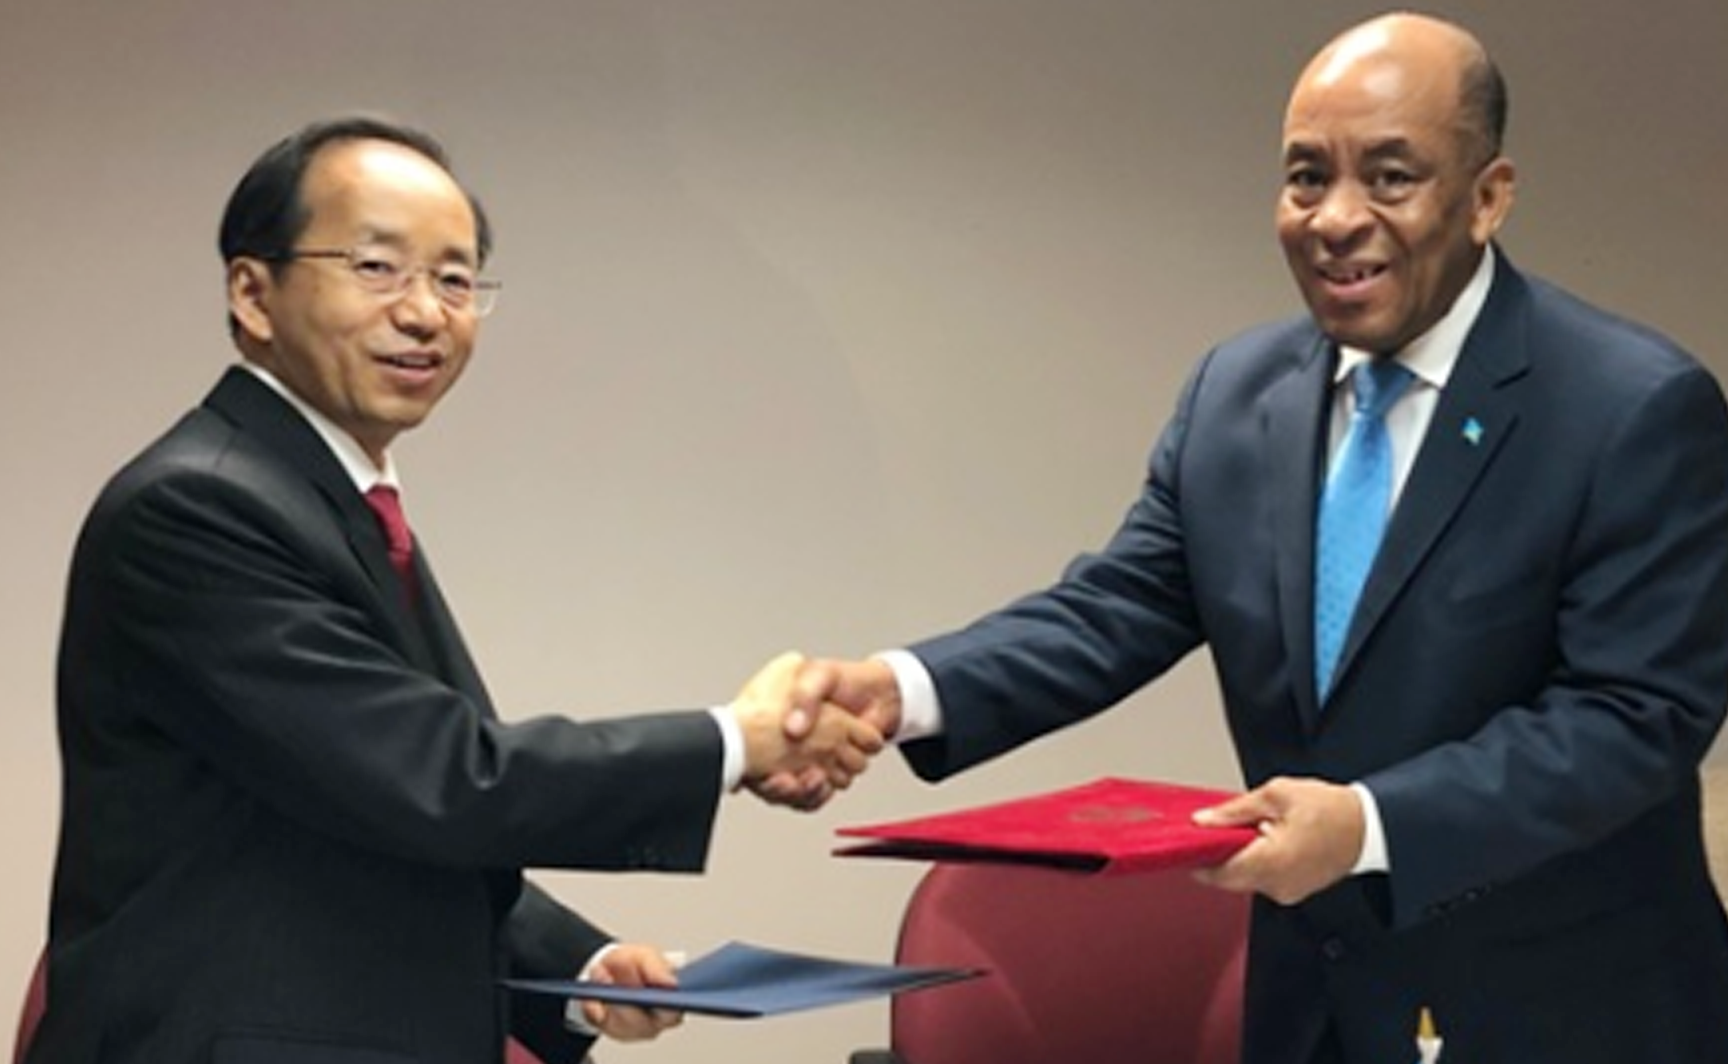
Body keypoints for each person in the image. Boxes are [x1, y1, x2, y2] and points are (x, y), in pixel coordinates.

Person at [786, 12, 1728, 1063]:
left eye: (1390, 177)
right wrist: (899, 689)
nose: (1337, 218)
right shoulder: (1235, 394)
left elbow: (1633, 716)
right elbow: (1117, 607)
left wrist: (1370, 824)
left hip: (1560, 1012)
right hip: (1311, 1007)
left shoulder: (1629, 407)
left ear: (1487, 197)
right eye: (1306, 178)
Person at [31, 116, 882, 1064]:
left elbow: (352, 815)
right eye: (376, 268)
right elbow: (438, 779)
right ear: (253, 293)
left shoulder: (330, 497)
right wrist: (736, 741)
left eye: (455, 279)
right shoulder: (199, 506)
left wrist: (582, 966)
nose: (425, 312)